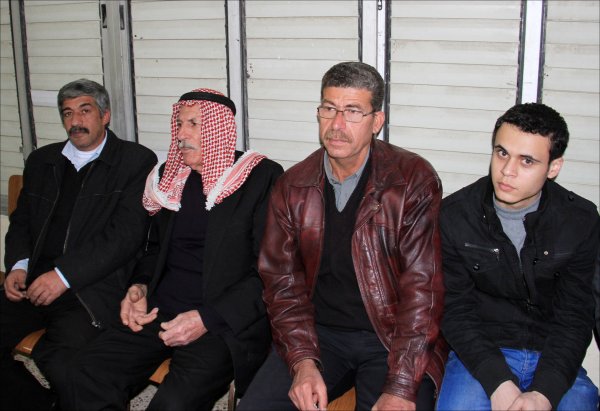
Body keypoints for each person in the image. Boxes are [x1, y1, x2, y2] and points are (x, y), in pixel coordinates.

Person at [238, 61, 447, 411]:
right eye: (329, 109)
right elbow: (281, 284)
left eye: (352, 111)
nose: (336, 124)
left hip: (391, 338)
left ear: (376, 121)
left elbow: (422, 290)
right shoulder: (293, 186)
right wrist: (303, 362)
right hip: (318, 335)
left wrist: (400, 384)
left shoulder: (411, 180)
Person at [64, 88, 283, 410]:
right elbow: (153, 247)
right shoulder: (171, 177)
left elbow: (269, 271)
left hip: (220, 322)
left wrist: (207, 318)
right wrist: (140, 286)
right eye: (179, 124)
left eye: (193, 124)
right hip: (160, 309)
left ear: (219, 129)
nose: (181, 134)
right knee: (85, 373)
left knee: (173, 403)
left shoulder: (259, 177)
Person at [0, 78, 157, 410]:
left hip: (89, 289)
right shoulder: (42, 161)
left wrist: (63, 276)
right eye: (67, 113)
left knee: (66, 364)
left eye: (85, 111)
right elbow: (22, 221)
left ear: (105, 115)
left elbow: (125, 236)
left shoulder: (135, 161)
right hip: (33, 282)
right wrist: (18, 265)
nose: (75, 121)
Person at [437, 103, 600, 410]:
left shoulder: (580, 220)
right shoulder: (455, 215)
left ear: (553, 167)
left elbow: (575, 315)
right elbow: (455, 310)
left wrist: (545, 392)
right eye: (502, 153)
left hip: (552, 354)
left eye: (527, 161)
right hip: (481, 354)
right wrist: (497, 382)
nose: (507, 171)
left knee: (580, 401)